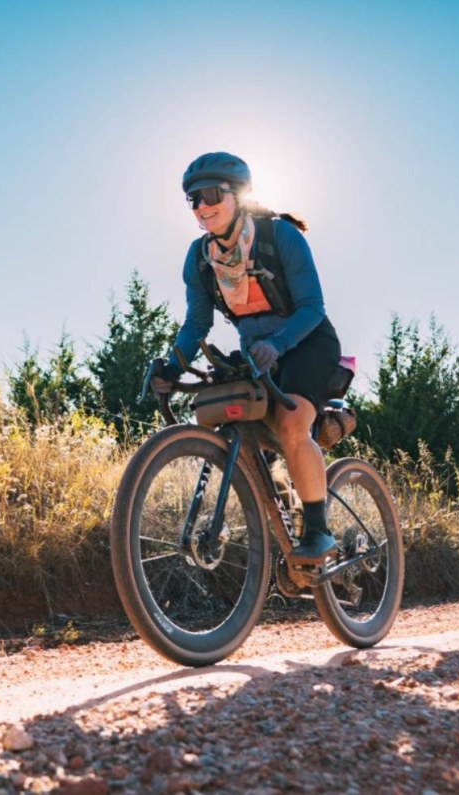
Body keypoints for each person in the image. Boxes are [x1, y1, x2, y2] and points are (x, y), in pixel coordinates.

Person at [153, 151, 342, 565]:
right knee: (245, 424)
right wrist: (171, 367)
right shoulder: (200, 258)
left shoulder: (280, 237)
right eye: (193, 200)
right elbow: (196, 325)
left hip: (308, 343)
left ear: (237, 195)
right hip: (259, 355)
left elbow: (312, 307)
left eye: (208, 195)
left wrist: (278, 344)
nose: (201, 208)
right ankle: (281, 513)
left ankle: (318, 531)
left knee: (292, 424)